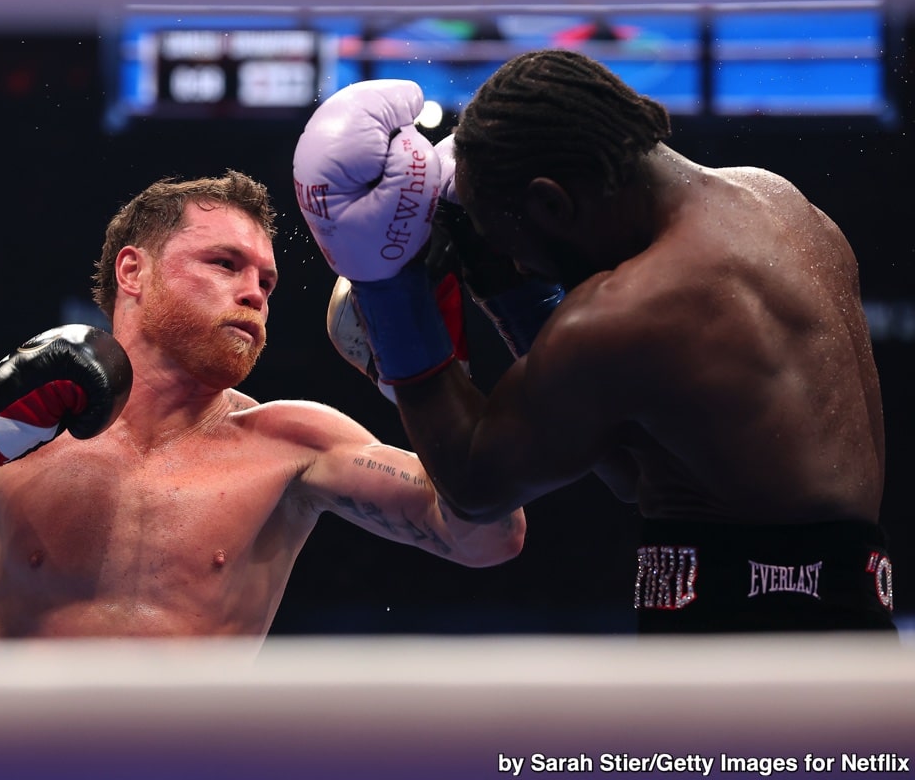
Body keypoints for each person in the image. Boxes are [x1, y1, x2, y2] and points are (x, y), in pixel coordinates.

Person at [0, 170, 525, 648]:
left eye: (267, 281)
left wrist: (422, 378)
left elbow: (489, 538)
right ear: (133, 272)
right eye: (225, 264)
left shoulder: (293, 443)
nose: (254, 293)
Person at [292, 50, 894, 633]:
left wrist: (387, 286)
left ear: (552, 202)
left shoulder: (629, 311)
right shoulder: (779, 202)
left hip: (735, 652)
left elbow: (475, 485)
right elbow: (632, 468)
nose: (515, 263)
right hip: (855, 629)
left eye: (510, 243)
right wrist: (507, 279)